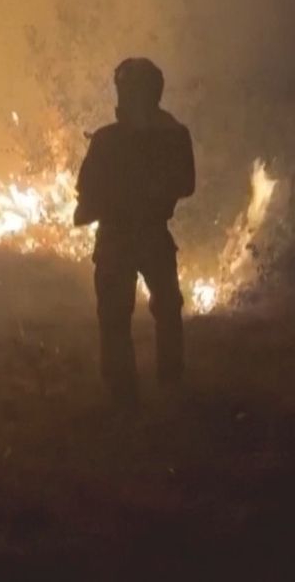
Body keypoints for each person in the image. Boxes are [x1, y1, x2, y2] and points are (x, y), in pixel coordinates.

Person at [74, 57, 195, 409]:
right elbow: (186, 185)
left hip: (120, 237)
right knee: (162, 309)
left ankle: (127, 392)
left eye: (127, 91)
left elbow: (86, 189)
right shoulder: (173, 135)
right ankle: (161, 385)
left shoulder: (111, 139)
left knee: (122, 314)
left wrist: (108, 202)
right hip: (147, 235)